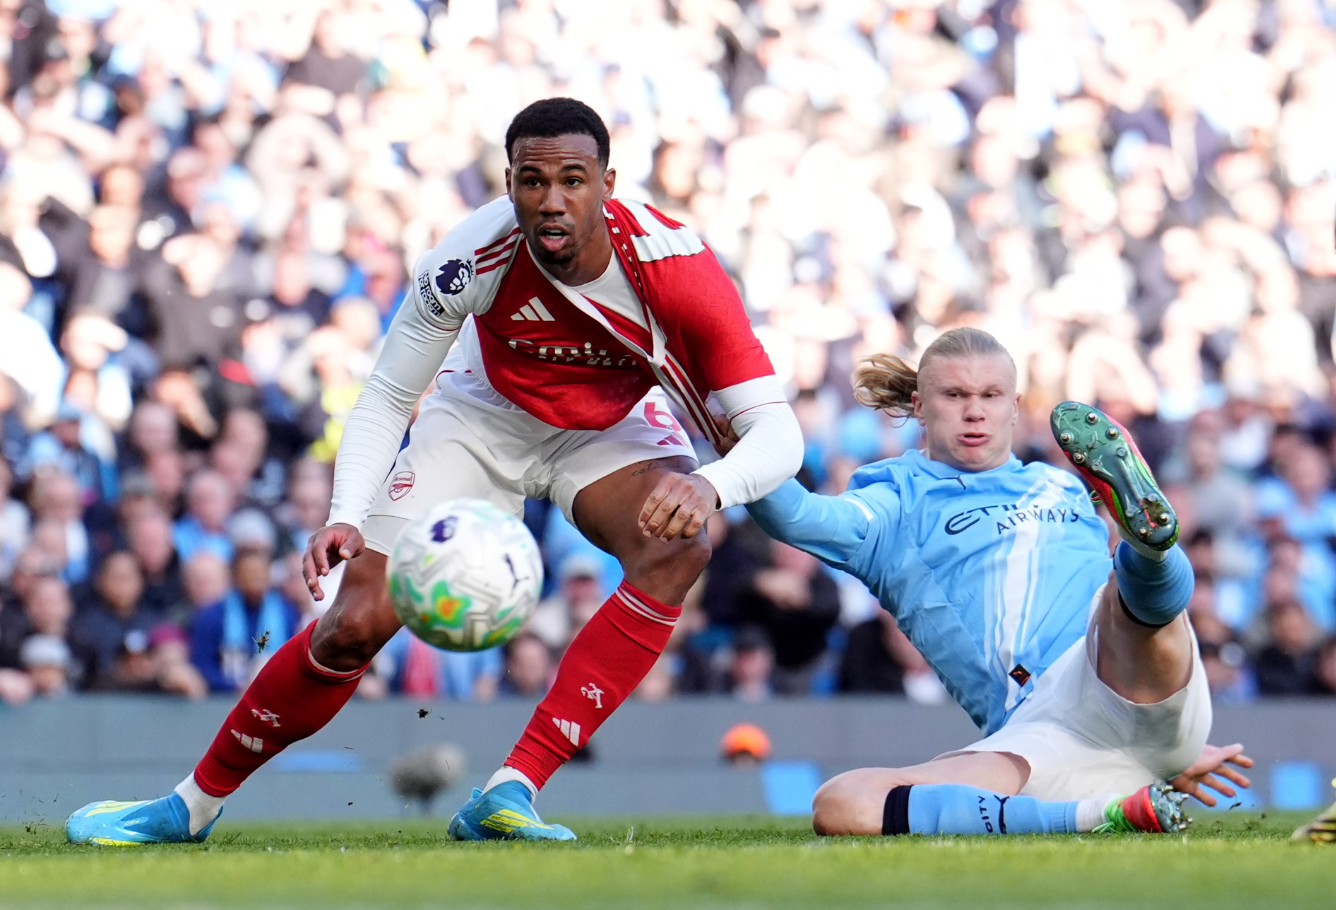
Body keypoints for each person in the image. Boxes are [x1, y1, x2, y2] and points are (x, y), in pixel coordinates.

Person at [66, 97, 801, 845]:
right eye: (532, 180)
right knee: (352, 626)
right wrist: (346, 511)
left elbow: (779, 432)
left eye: (573, 180)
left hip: (608, 426)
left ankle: (510, 790)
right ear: (508, 183)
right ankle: (189, 806)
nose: (551, 200)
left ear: (607, 185)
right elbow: (389, 392)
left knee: (677, 547)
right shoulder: (468, 257)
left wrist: (710, 484)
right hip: (482, 415)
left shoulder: (675, 266)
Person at [745, 327, 1250, 837]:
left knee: (1122, 597)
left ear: (1015, 407)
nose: (974, 412)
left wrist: (1155, 728)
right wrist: (749, 451)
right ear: (920, 407)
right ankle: (1107, 812)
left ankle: (1151, 551)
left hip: (1126, 669)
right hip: (1041, 736)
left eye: (990, 395)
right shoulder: (893, 501)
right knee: (842, 805)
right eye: (954, 395)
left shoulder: (1060, 485)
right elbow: (796, 516)